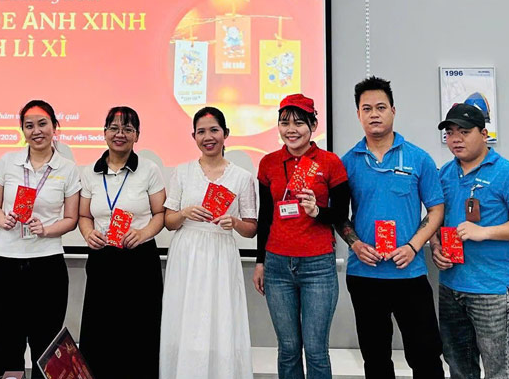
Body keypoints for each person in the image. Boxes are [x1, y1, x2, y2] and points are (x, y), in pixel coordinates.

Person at [338, 77, 445, 378]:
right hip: (364, 275)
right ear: (358, 114)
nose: (374, 114)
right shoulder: (346, 163)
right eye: (367, 108)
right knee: (375, 360)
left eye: (381, 107)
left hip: (409, 272)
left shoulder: (418, 158)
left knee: (425, 356)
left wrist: (413, 246)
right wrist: (356, 244)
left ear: (393, 111)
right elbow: (339, 216)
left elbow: (436, 209)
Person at [430, 103, 509, 379]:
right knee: (458, 369)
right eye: (450, 133)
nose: (456, 139)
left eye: (464, 132)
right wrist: (435, 245)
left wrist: (485, 231)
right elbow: (434, 217)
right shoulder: (444, 173)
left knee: (498, 370)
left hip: (491, 289)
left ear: (484, 133)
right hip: (451, 286)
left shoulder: (508, 173)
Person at [252, 93, 349, 379]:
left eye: (299, 123)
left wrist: (317, 211)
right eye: (284, 122)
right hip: (278, 266)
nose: (291, 129)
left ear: (314, 125)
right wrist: (260, 262)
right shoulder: (268, 163)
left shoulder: (330, 163)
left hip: (317, 266)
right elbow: (265, 217)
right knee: (289, 348)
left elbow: (341, 214)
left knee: (316, 350)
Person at [160, 107, 258, 379]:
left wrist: (234, 222)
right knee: (186, 319)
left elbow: (251, 228)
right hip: (186, 253)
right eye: (201, 132)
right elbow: (168, 221)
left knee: (220, 319)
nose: (208, 137)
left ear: (226, 134)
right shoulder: (182, 172)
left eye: (214, 130)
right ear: (193, 136)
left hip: (220, 253)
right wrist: (184, 213)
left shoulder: (242, 177)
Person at [0, 100, 82, 377]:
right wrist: (1, 219)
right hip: (5, 263)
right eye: (29, 126)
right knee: (6, 344)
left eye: (42, 124)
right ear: (22, 130)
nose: (36, 131)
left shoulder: (67, 168)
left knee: (46, 346)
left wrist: (46, 229)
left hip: (47, 265)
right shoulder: (7, 162)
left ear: (55, 126)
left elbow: (71, 218)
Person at [77, 106, 166, 379]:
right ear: (104, 133)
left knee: (141, 334)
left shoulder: (149, 169)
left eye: (128, 129)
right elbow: (83, 215)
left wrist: (143, 233)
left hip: (139, 259)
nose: (120, 134)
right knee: (100, 333)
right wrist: (88, 233)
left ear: (137, 135)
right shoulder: (91, 172)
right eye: (114, 128)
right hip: (103, 258)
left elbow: (160, 213)